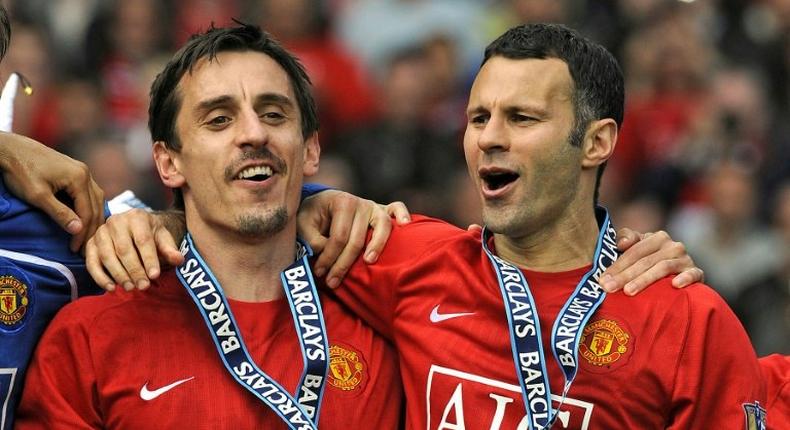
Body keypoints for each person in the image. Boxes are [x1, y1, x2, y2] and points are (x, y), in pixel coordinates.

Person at [85, 24, 755, 429]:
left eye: (520, 119)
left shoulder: (686, 319)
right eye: (477, 118)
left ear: (597, 142)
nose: (489, 139)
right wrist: (146, 219)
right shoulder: (403, 256)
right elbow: (245, 222)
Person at [16, 24, 404, 429]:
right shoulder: (91, 337)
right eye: (219, 120)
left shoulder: (382, 312)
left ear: (310, 149)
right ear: (168, 164)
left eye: (273, 114)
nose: (254, 133)